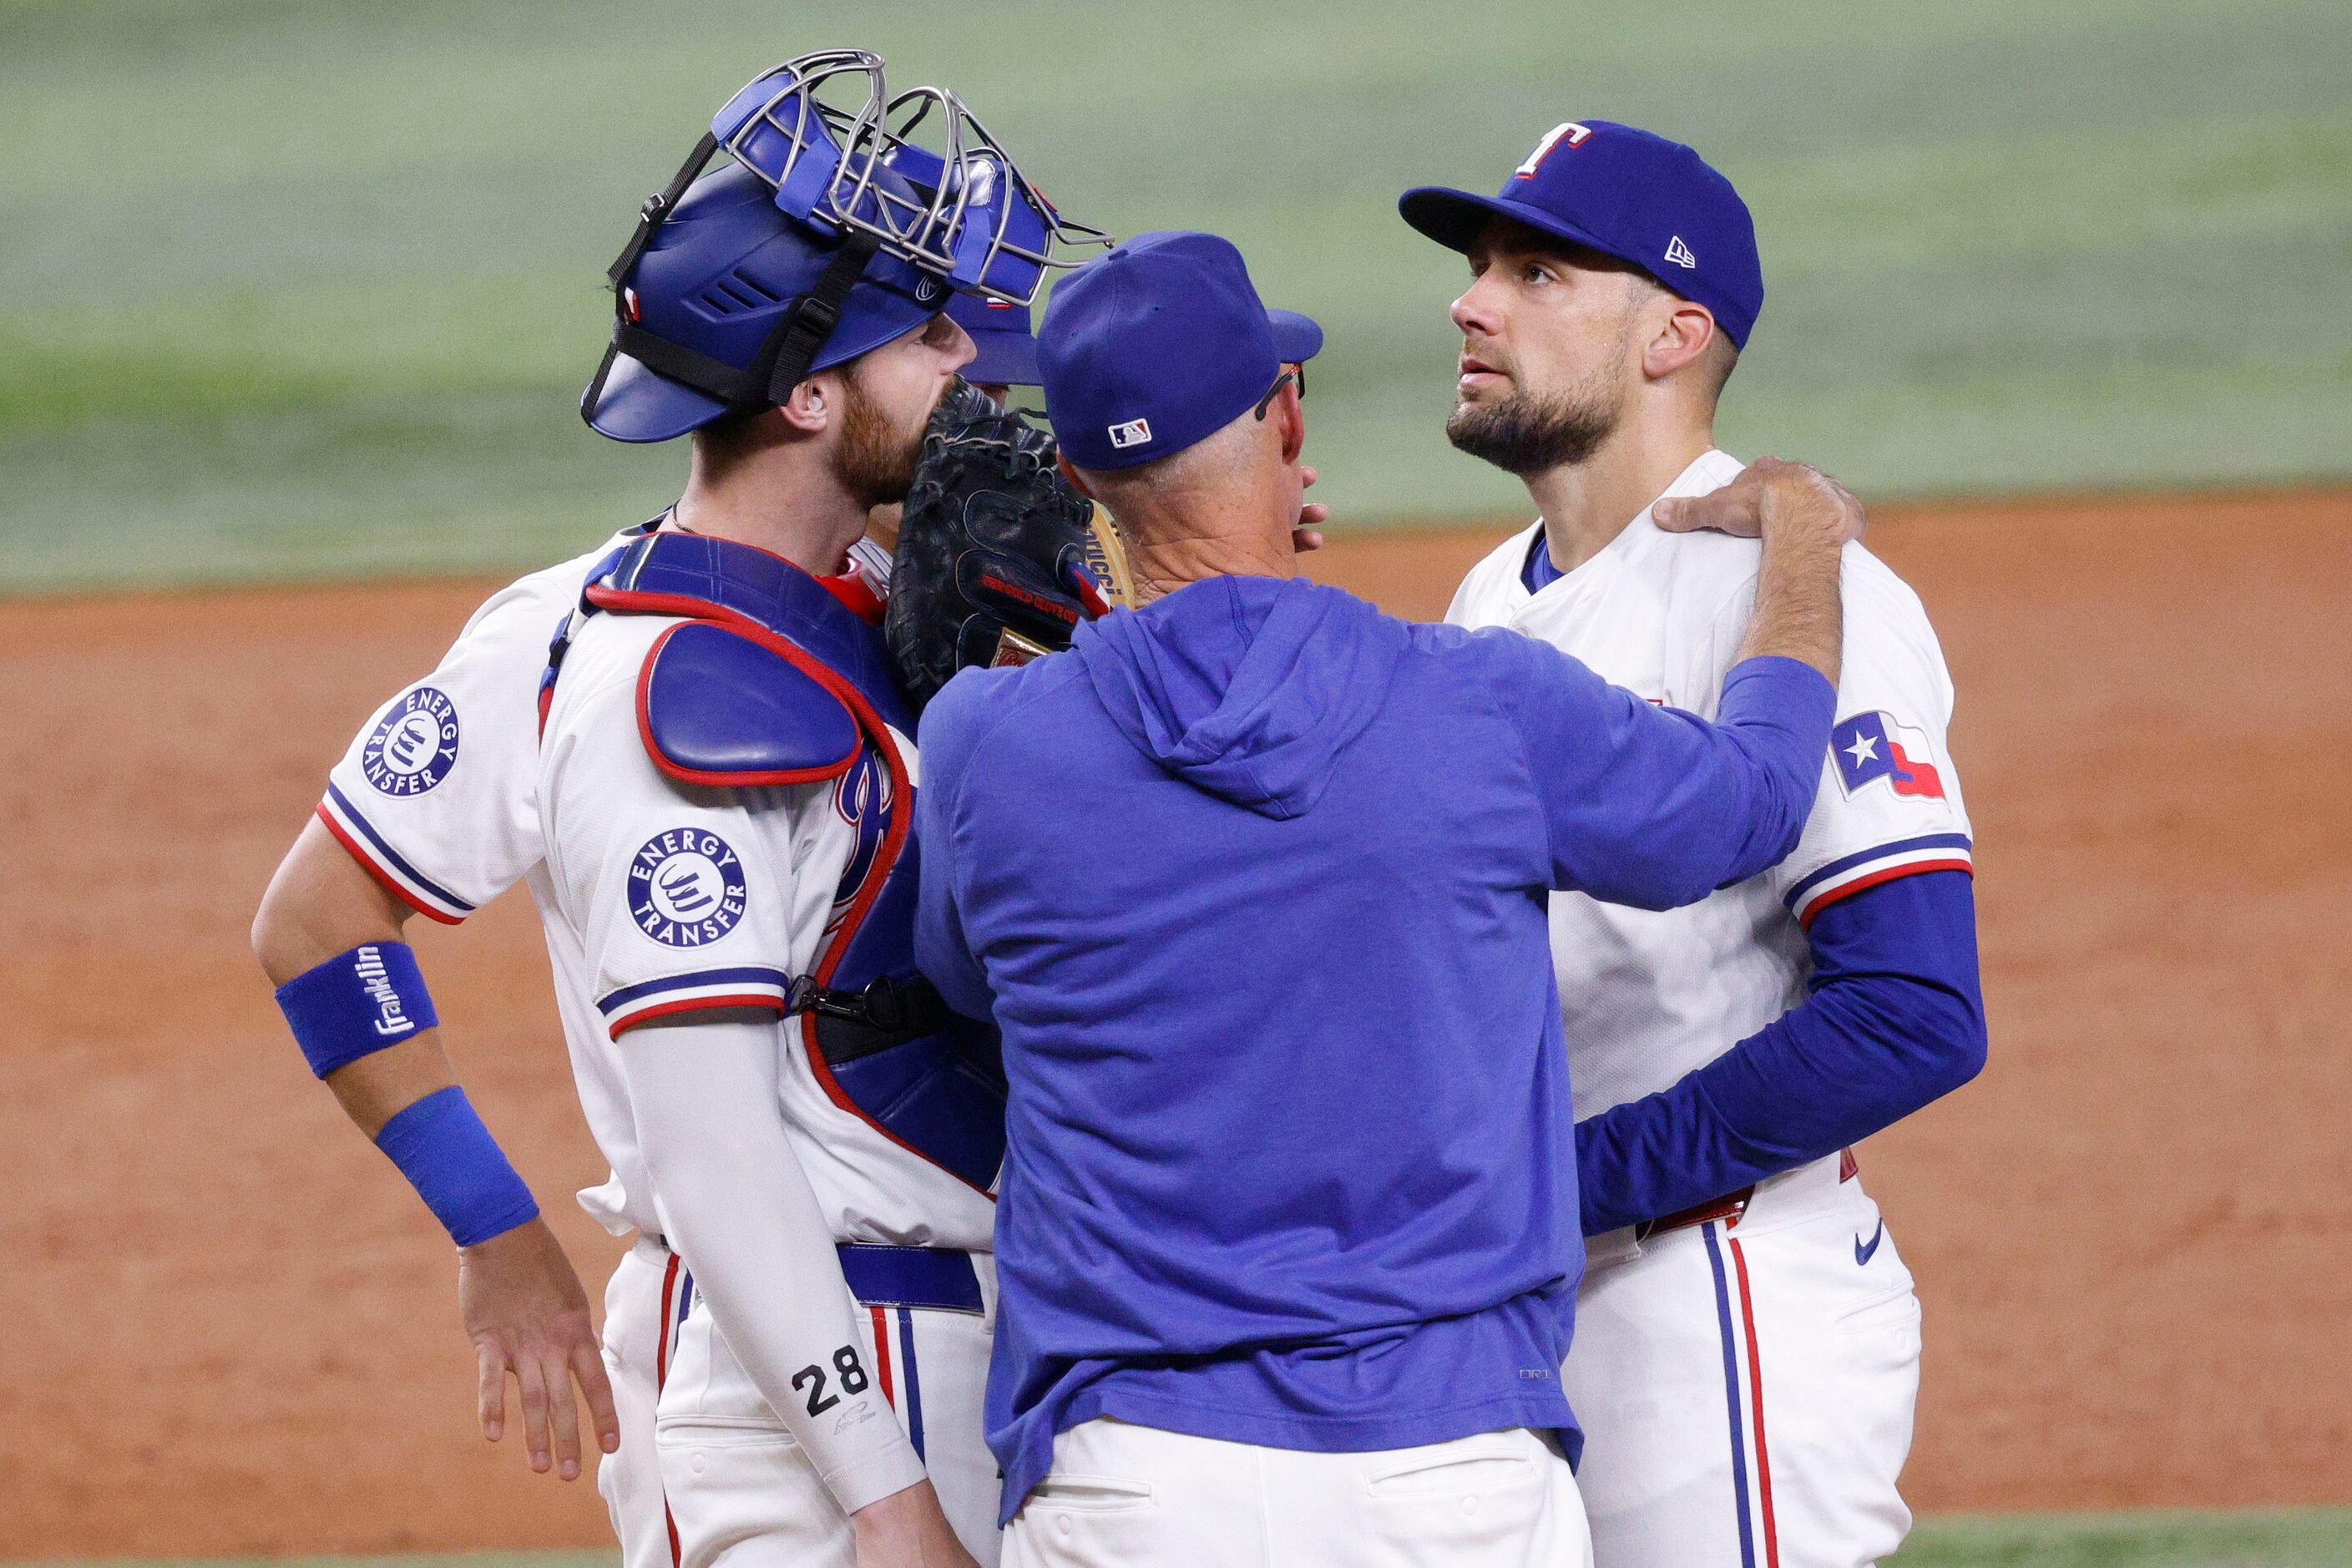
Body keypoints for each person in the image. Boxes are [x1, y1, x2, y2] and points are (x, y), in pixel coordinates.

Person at [909, 230, 1866, 1568]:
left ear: (1075, 474)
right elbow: (1747, 805)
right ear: (1286, 412)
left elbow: (967, 980)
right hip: (1449, 1475)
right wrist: (1809, 541)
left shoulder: (982, 742)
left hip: (1137, 1481)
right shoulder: (1474, 702)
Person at [256, 53, 1098, 1568]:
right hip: (834, 1352)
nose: (975, 365)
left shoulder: (889, 602)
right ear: (807, 390)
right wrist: (496, 1231)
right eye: (930, 333)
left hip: (925, 1330)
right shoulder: (601, 654)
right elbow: (320, 920)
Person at [1400, 121, 1988, 1567]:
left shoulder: (1793, 589)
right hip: (1535, 1299)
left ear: (1674, 331)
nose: (1471, 303)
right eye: (1480, 268)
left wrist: (1567, 1182)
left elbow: (1912, 1012)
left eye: (1536, 273)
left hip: (1718, 1300)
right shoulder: (1489, 597)